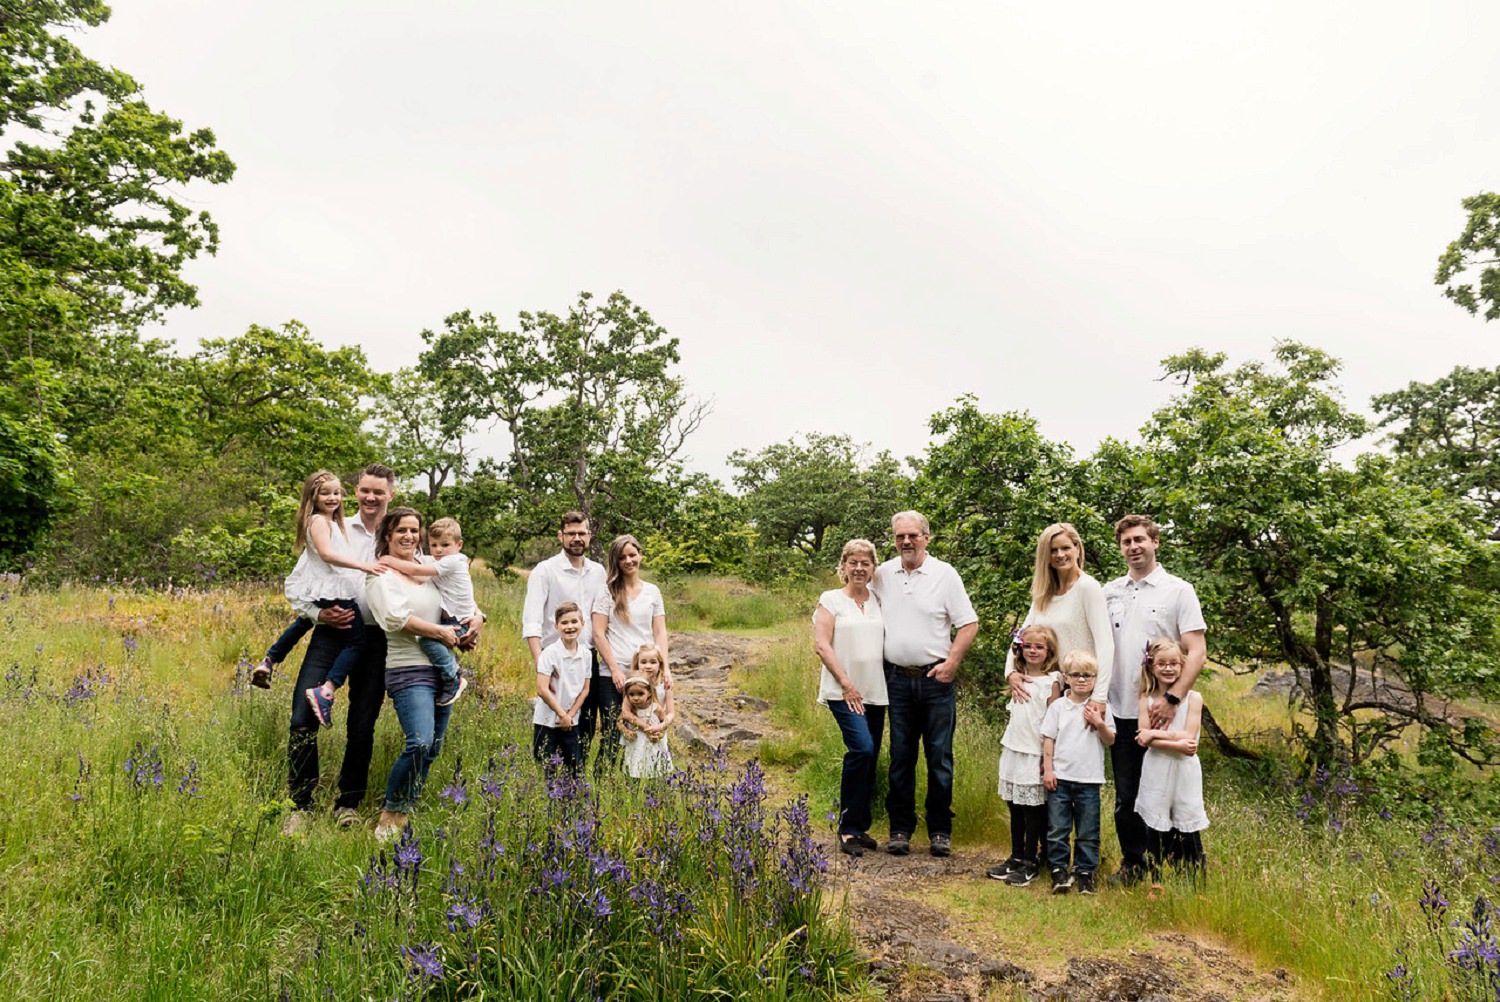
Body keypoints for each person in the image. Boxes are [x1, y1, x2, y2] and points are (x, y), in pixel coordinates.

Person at [1102, 514, 1207, 885]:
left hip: (1165, 712)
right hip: (1122, 710)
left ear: (1155, 542)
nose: (1133, 547)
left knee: (1171, 789)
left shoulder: (1178, 590)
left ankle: (1185, 871)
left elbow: (1196, 650)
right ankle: (1134, 865)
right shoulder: (1109, 592)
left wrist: (1173, 699)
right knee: (1128, 795)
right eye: (1126, 542)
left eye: (1139, 540)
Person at [871, 511, 978, 859]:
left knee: (939, 758)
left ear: (927, 538)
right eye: (900, 536)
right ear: (894, 539)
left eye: (913, 535)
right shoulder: (883, 574)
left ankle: (939, 831)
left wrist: (952, 663)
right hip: (897, 680)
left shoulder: (945, 575)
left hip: (936, 681)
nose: (906, 542)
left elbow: (968, 624)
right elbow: (857, 601)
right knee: (901, 756)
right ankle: (900, 828)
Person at [364, 508, 463, 841]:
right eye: (401, 530)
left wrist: (474, 621)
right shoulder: (380, 574)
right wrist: (439, 632)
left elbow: (454, 598)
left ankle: (407, 808)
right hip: (408, 668)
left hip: (443, 667)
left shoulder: (428, 567)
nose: (408, 536)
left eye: (413, 530)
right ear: (387, 535)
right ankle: (390, 812)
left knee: (432, 748)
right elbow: (396, 619)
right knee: (419, 741)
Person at [251, 470, 383, 693]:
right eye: (325, 494)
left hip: (323, 588)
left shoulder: (329, 521)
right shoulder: (320, 521)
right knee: (357, 643)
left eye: (336, 493)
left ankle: (270, 660)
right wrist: (363, 565)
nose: (332, 498)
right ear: (313, 497)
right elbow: (326, 554)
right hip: (333, 589)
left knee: (303, 621)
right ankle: (327, 689)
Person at [813, 539, 888, 857]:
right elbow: (822, 644)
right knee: (861, 748)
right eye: (853, 562)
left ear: (873, 568)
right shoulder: (830, 600)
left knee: (870, 759)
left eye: (865, 563)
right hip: (843, 691)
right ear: (843, 566)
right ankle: (846, 829)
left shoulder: (878, 600)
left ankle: (860, 826)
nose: (859, 568)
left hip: (875, 691)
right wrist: (845, 684)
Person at [522, 512, 607, 757]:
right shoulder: (545, 570)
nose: (576, 538)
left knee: (585, 725)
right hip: (554, 657)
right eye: (571, 533)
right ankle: (549, 784)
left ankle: (575, 784)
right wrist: (541, 667)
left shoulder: (598, 572)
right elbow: (532, 621)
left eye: (581, 533)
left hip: (587, 657)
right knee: (552, 724)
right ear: (561, 536)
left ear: (589, 536)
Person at [1005, 523, 1114, 708]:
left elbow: (1105, 645)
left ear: (1077, 548)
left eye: (1065, 548)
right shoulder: (1044, 593)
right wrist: (1010, 672)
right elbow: (1020, 637)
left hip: (1079, 691)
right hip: (1047, 688)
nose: (1060, 555)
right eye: (1053, 550)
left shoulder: (1087, 587)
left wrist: (1099, 697)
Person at [373, 517, 475, 707]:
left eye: (445, 545)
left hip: (458, 621)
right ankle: (450, 675)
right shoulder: (439, 559)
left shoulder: (451, 561)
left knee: (428, 640)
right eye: (434, 545)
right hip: (454, 621)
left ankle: (452, 676)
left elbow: (416, 570)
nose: (438, 550)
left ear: (459, 545)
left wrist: (388, 560)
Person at [591, 535, 670, 778]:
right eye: (622, 557)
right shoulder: (607, 592)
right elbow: (598, 633)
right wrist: (615, 669)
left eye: (632, 555)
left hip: (647, 675)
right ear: (615, 560)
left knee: (648, 732)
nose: (628, 560)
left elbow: (659, 631)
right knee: (615, 732)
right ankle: (602, 784)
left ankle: (636, 784)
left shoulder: (653, 592)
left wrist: (665, 669)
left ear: (640, 555)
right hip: (613, 675)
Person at [989, 625, 1062, 886]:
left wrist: (1048, 756)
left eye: (1039, 647)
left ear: (1049, 651)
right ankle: (1016, 856)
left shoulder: (1052, 681)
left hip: (1035, 751)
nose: (1033, 650)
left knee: (1033, 809)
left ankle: (1032, 860)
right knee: (1015, 806)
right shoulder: (1017, 677)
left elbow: (1053, 721)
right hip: (1014, 748)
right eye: (1028, 646)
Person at [1040, 651, 1116, 895]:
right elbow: (1049, 740)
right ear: (1066, 677)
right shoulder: (1059, 707)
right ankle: (1059, 870)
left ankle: (1085, 872)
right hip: (1061, 779)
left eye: (1088, 675)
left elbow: (1110, 740)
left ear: (1096, 679)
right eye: (1076, 675)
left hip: (1089, 780)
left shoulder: (1101, 708)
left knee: (1088, 830)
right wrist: (1049, 770)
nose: (1082, 680)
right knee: (1058, 828)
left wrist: (1099, 722)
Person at [1135, 638, 1209, 876]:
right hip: (1157, 768)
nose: (1168, 668)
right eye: (1162, 664)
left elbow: (1189, 736)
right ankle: (1156, 878)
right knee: (1155, 821)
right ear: (1151, 666)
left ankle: (1194, 877)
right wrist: (1175, 744)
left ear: (1182, 665)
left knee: (1186, 820)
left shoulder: (1193, 698)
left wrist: (1154, 734)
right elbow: (1143, 740)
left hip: (1184, 771)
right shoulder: (1145, 699)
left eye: (1174, 663)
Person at [532, 602, 591, 774]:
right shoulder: (549, 653)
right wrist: (562, 714)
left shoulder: (586, 655)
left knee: (573, 769)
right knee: (547, 770)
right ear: (556, 626)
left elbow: (585, 689)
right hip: (547, 721)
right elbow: (542, 689)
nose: (570, 626)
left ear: (582, 624)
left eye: (574, 621)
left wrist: (570, 716)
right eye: (564, 623)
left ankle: (571, 801)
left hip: (572, 721)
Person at [618, 675, 674, 779]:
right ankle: (634, 783)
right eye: (631, 694)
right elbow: (619, 721)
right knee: (635, 762)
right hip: (636, 742)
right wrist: (625, 731)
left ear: (648, 692)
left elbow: (665, 722)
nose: (636, 698)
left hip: (652, 742)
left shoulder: (655, 708)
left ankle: (653, 783)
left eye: (640, 694)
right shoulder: (631, 711)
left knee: (653, 761)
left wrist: (660, 732)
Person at [618, 643, 675, 741]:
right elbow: (626, 712)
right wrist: (644, 727)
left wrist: (660, 727)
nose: (648, 666)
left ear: (660, 664)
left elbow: (671, 713)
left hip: (657, 730)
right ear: (637, 664)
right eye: (643, 662)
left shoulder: (664, 685)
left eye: (653, 662)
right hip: (637, 729)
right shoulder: (633, 684)